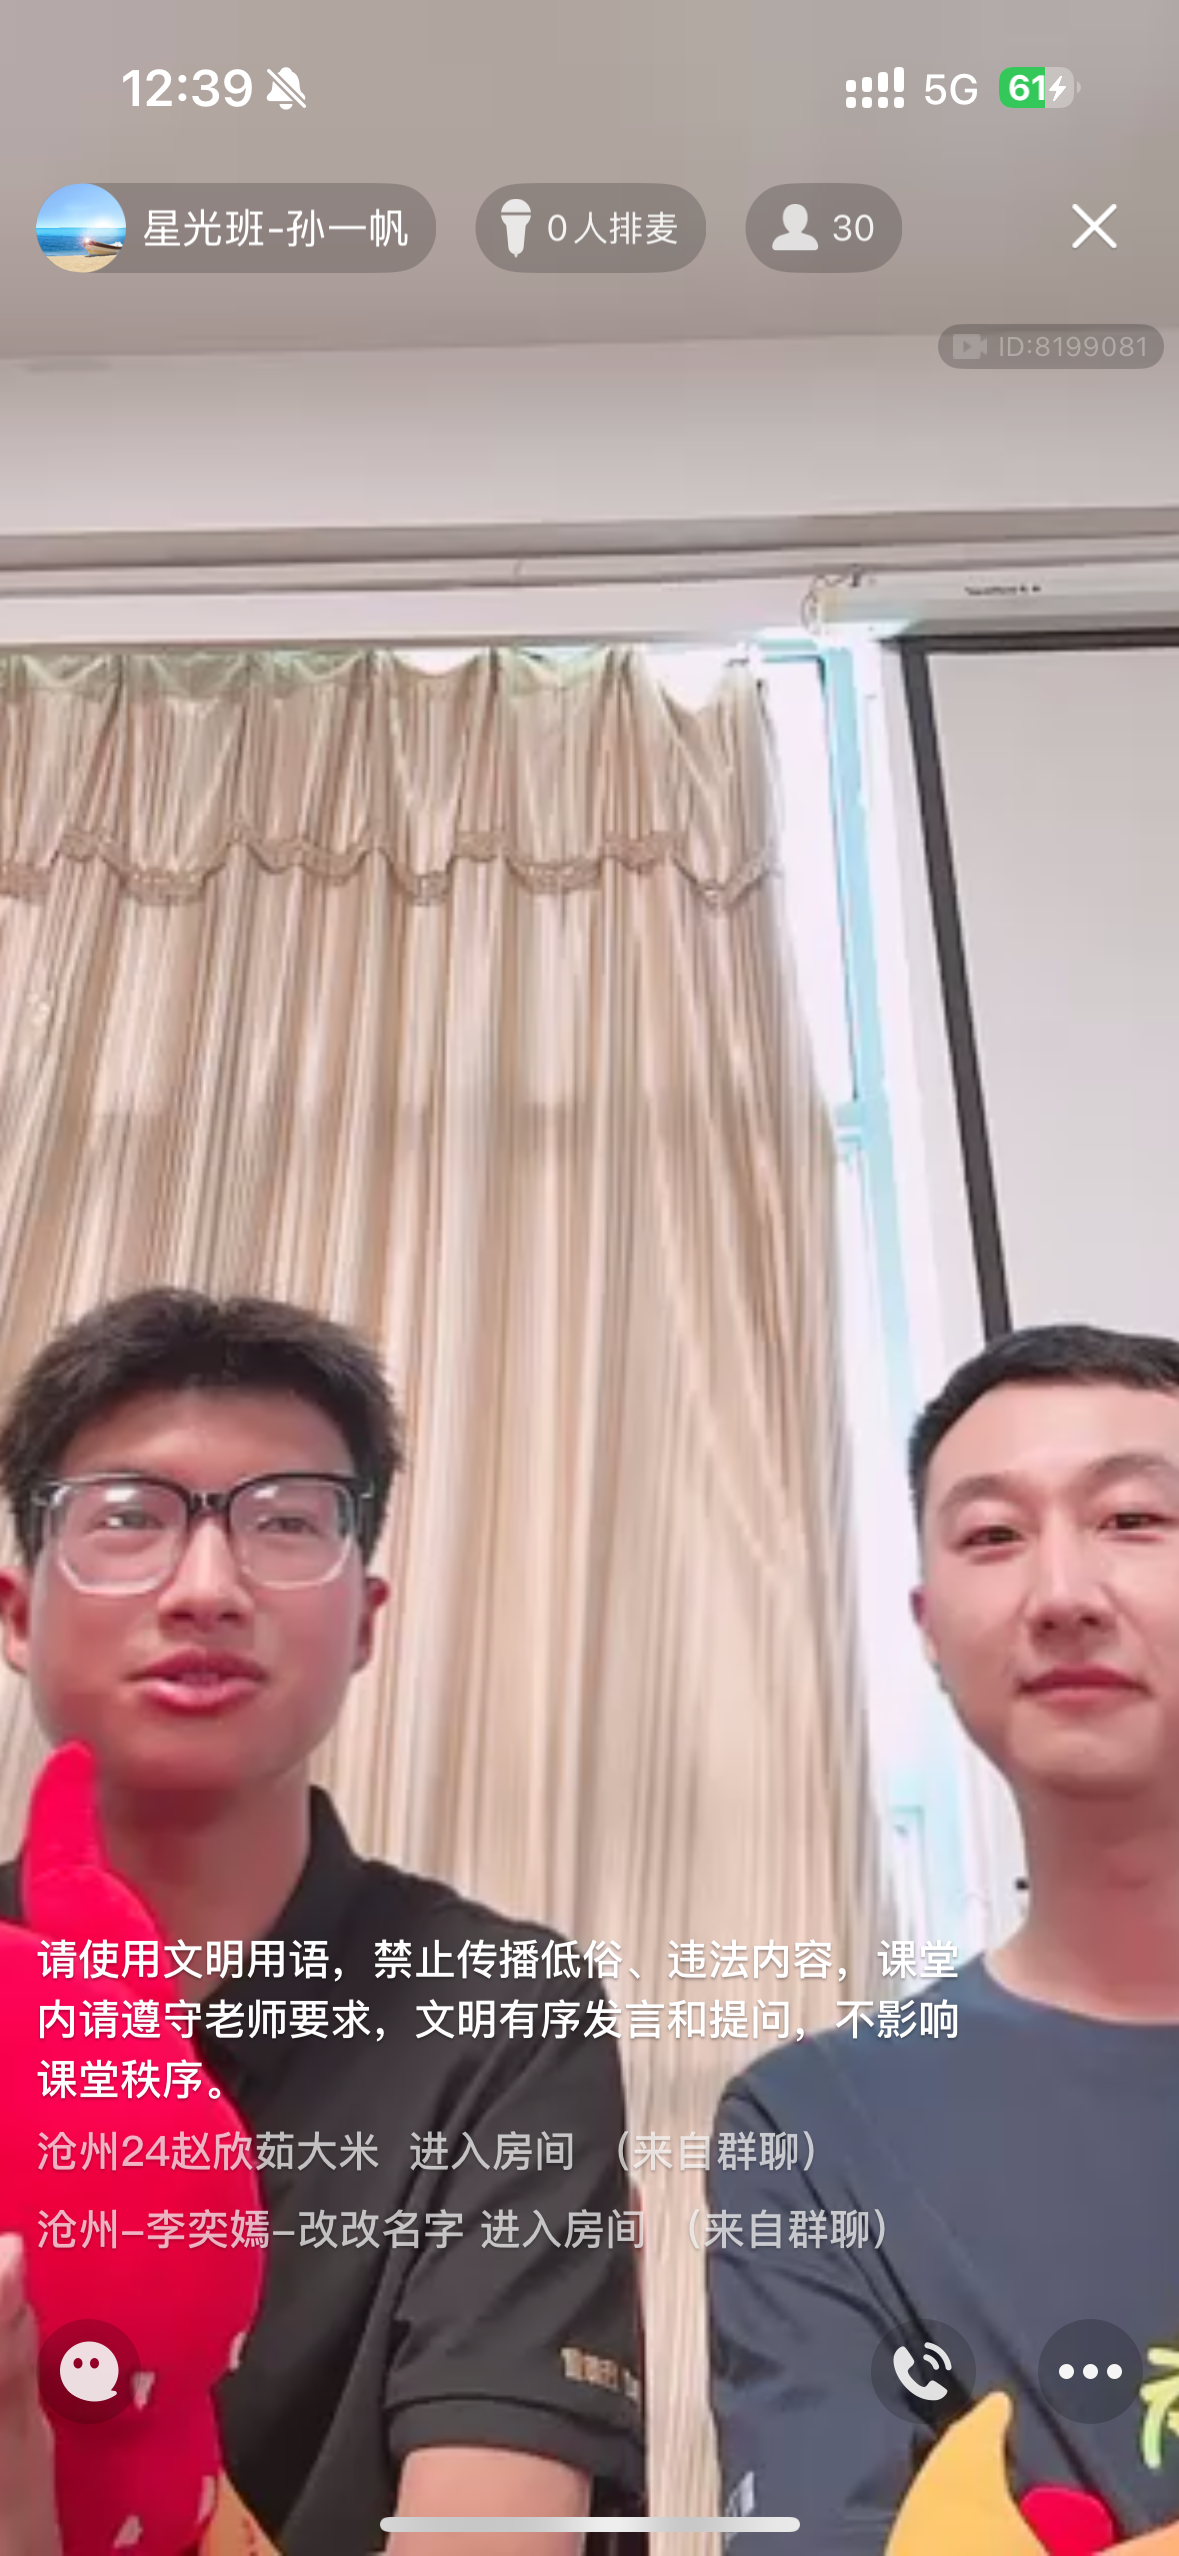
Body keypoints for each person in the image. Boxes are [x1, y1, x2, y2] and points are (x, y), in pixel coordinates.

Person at [0, 1288, 645, 2556]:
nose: (206, 1587)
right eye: (128, 1518)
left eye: (287, 1522)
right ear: (18, 1614)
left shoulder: (500, 2012)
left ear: (364, 1620)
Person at [707, 1322, 1179, 2550]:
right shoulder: (813, 2131)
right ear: (927, 1625)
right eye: (992, 1537)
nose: (1063, 1594)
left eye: (1134, 1519)